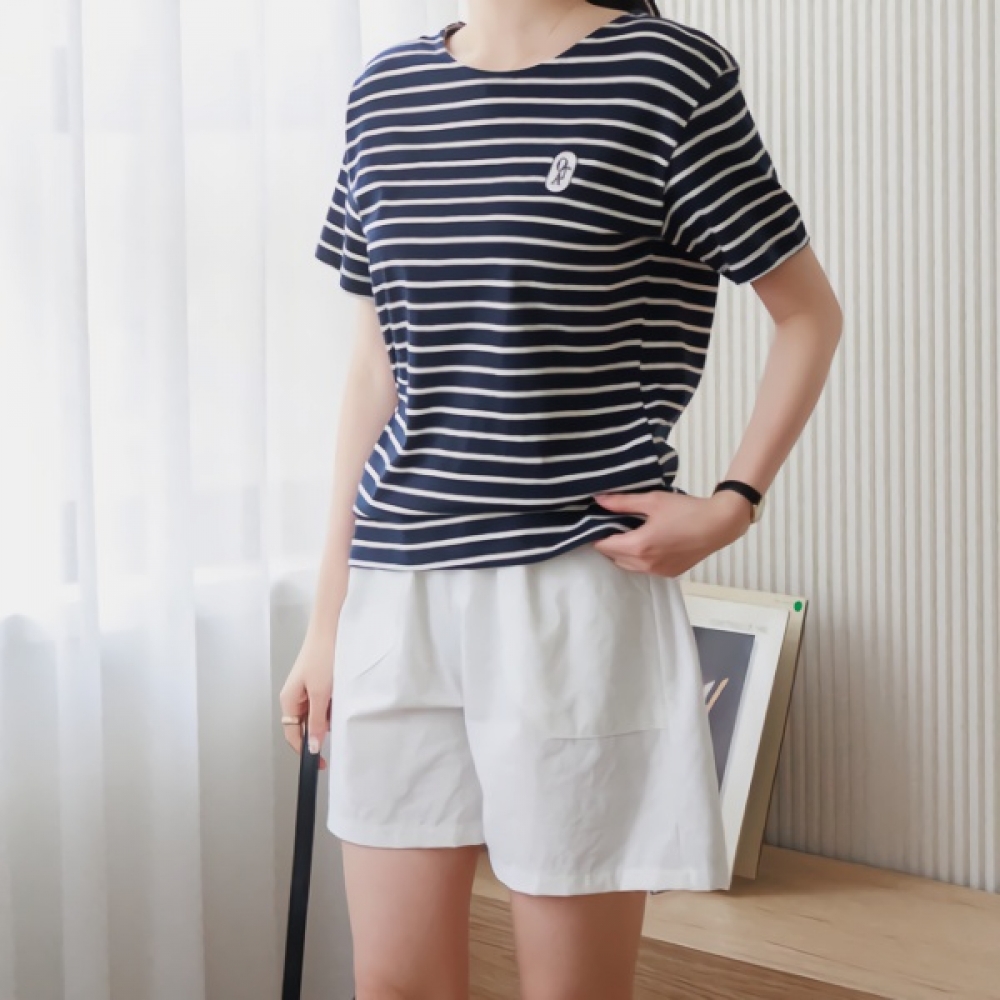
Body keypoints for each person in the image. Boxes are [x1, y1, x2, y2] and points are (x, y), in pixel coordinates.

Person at [281, 0, 843, 996]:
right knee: (395, 984)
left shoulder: (666, 75)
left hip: (570, 590)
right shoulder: (386, 92)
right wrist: (329, 620)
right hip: (397, 592)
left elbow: (807, 312)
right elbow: (374, 370)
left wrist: (732, 501)